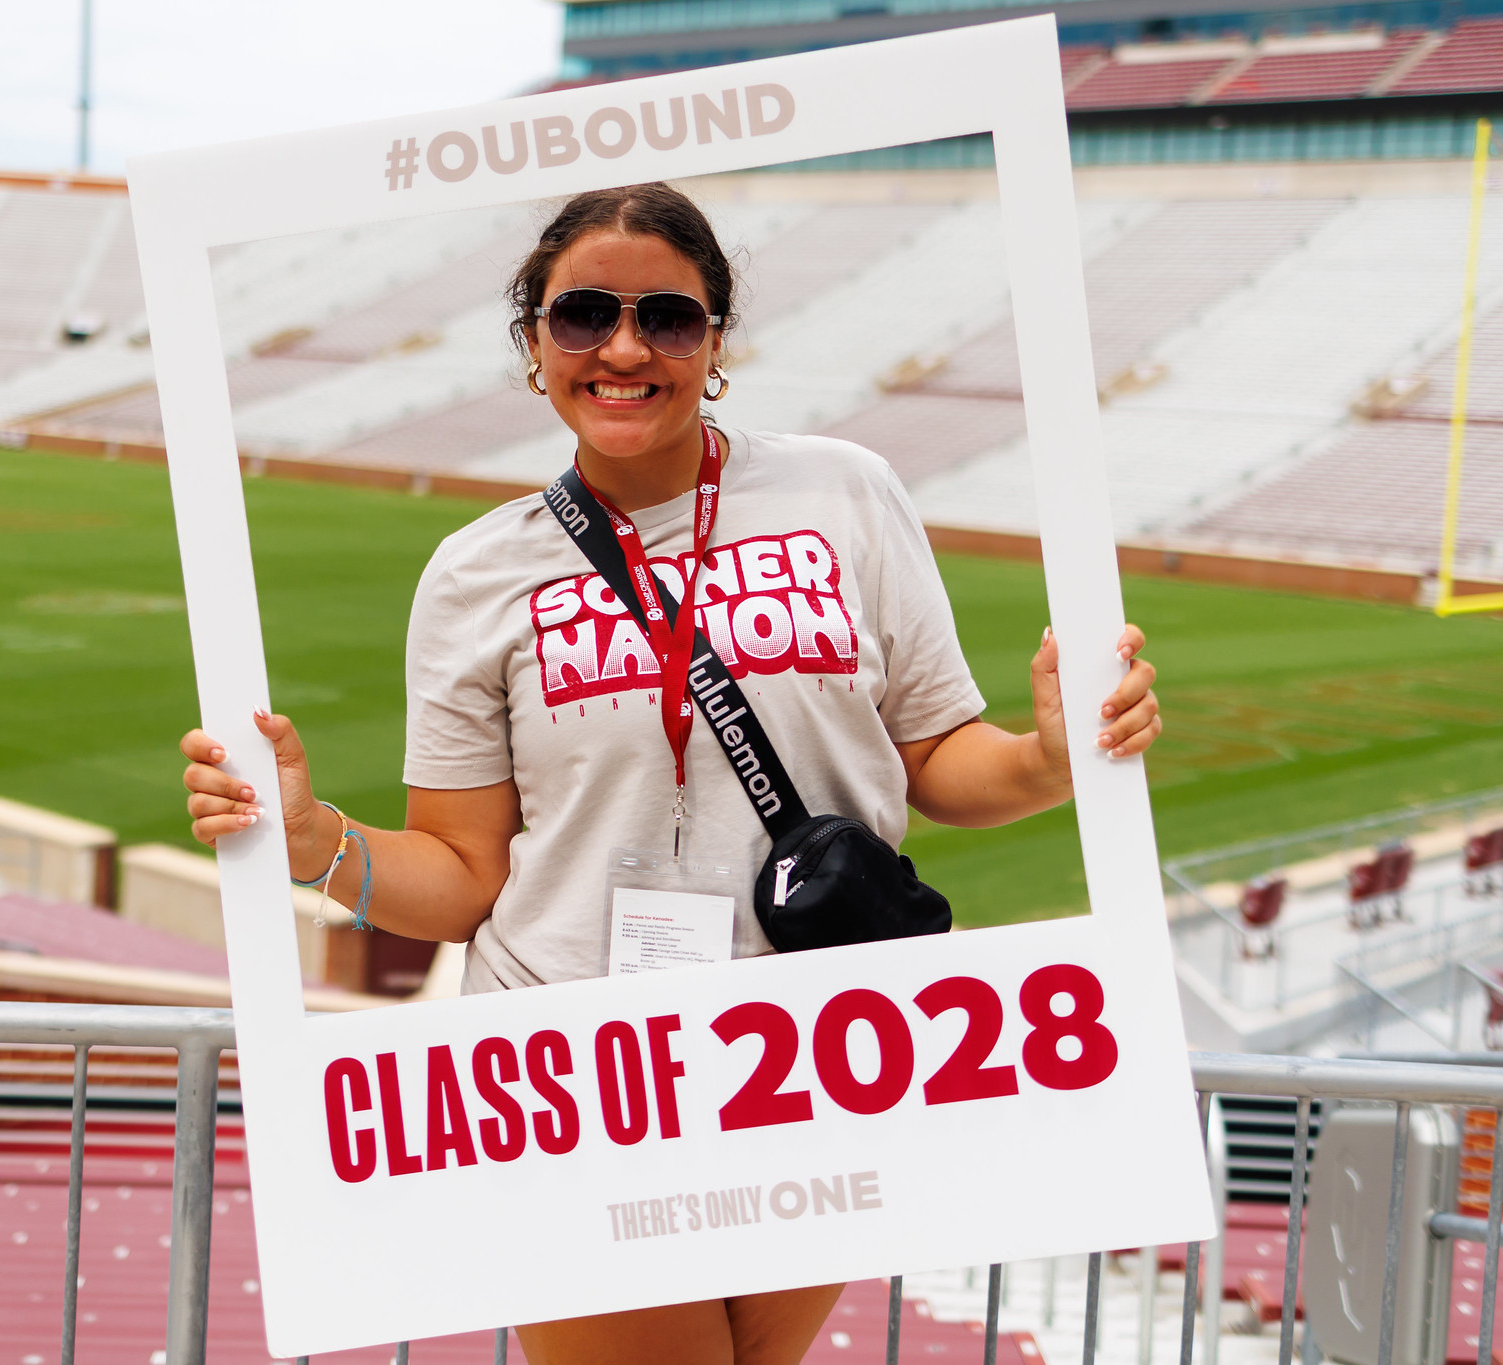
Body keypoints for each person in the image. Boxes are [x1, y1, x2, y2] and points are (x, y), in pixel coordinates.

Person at [180, 182, 1162, 1365]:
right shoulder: (473, 571)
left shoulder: (843, 491)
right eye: (582, 315)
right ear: (533, 343)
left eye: (670, 318)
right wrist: (306, 838)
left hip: (813, 1048)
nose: (626, 349)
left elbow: (939, 764)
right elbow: (458, 877)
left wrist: (1054, 757)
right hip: (577, 1067)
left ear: (717, 338)